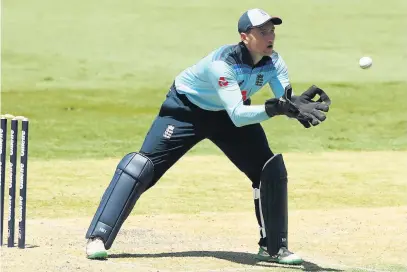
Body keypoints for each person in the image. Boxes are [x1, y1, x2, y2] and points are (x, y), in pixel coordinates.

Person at [85, 8, 331, 265]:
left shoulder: (275, 62)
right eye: (262, 31)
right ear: (245, 36)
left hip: (229, 112)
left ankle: (274, 248)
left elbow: (282, 100)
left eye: (272, 30)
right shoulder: (222, 64)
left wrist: (294, 108)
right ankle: (97, 237)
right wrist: (274, 109)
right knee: (141, 168)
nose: (270, 36)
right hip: (186, 111)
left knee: (268, 169)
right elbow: (238, 114)